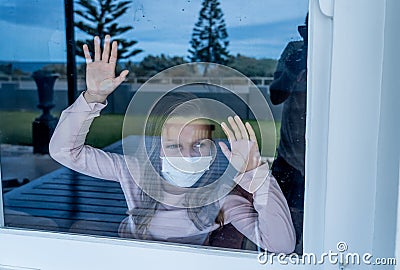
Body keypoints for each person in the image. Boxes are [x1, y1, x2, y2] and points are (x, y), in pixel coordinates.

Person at [49, 35, 296, 253]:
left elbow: (281, 246)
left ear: (213, 149)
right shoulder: (135, 172)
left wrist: (258, 176)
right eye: (174, 146)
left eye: (199, 144)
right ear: (158, 149)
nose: (187, 156)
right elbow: (65, 152)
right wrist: (92, 98)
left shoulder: (220, 196)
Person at [269, 14, 308, 254]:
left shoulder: (345, 52)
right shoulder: (294, 51)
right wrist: (292, 72)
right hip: (290, 159)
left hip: (329, 163)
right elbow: (276, 96)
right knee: (282, 230)